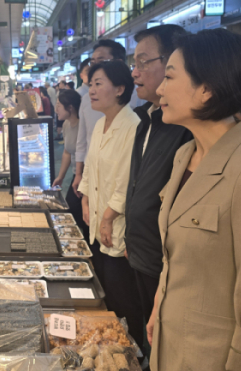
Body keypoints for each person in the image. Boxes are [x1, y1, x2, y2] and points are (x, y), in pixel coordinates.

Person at [147, 29, 241, 371]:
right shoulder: (185, 155)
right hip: (170, 347)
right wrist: (158, 307)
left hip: (212, 359)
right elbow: (176, 259)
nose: (159, 89)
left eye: (169, 76)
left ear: (207, 89)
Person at [125, 25, 193, 356]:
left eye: (142, 61)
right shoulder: (147, 119)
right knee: (148, 335)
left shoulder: (187, 130)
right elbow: (136, 184)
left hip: (169, 266)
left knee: (167, 343)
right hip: (141, 251)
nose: (135, 71)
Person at [78, 60, 144, 351]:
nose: (91, 90)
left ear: (119, 89)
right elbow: (91, 168)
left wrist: (107, 217)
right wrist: (85, 198)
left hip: (117, 224)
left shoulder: (132, 126)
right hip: (97, 219)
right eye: (90, 84)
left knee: (122, 294)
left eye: (98, 83)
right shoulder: (101, 123)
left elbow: (127, 179)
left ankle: (133, 352)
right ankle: (110, 348)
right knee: (105, 288)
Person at [72, 39, 126, 197]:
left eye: (101, 61)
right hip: (92, 174)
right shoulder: (87, 99)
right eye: (92, 62)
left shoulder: (135, 99)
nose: (94, 66)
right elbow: (83, 141)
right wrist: (79, 174)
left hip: (118, 179)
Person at [51, 90, 85, 238]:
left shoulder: (84, 125)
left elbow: (84, 154)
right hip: (75, 175)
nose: (55, 109)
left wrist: (79, 175)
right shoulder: (66, 124)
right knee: (73, 211)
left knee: (75, 211)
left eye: (59, 105)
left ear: (70, 108)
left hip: (85, 175)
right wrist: (60, 177)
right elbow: (67, 152)